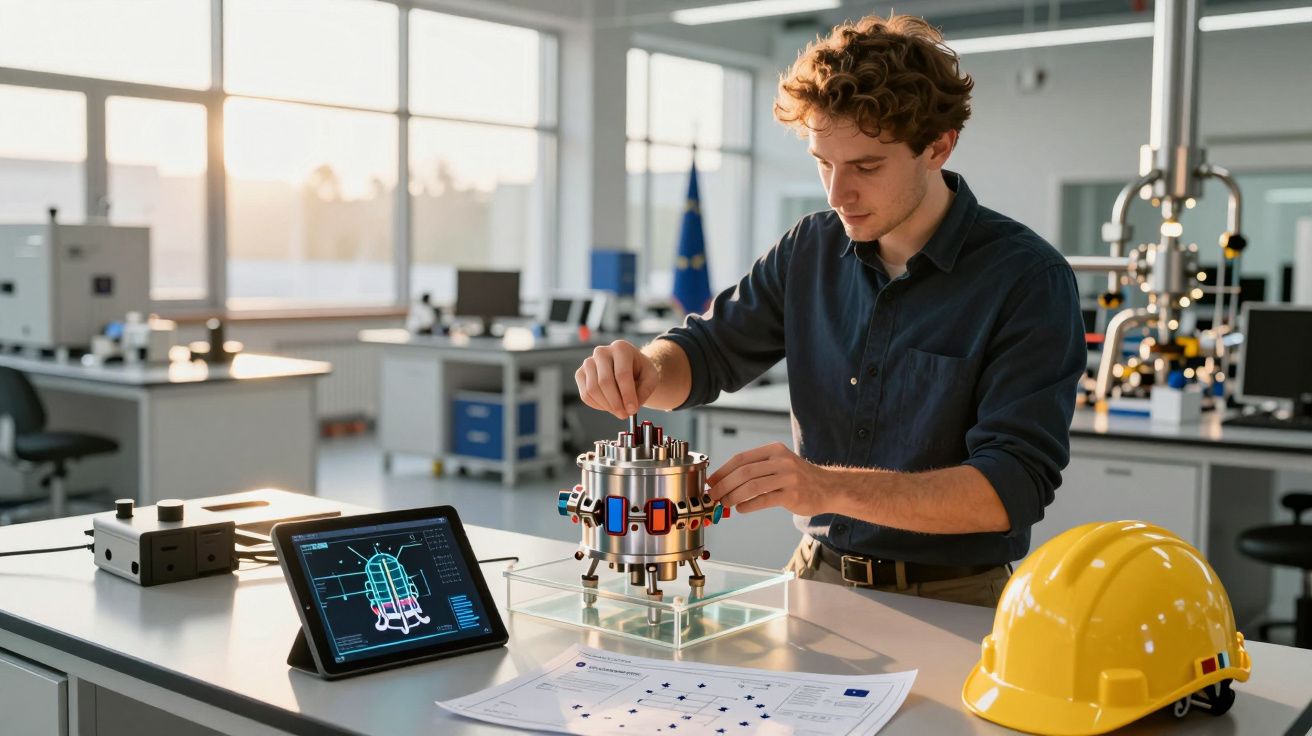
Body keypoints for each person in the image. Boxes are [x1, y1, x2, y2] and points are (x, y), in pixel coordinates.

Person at [574, 14, 1085, 607]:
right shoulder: (809, 248)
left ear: (938, 146)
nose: (837, 194)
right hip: (812, 577)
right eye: (823, 163)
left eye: (866, 167)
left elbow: (1011, 487)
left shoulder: (1027, 279)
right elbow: (707, 353)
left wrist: (825, 486)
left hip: (954, 599)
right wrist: (647, 368)